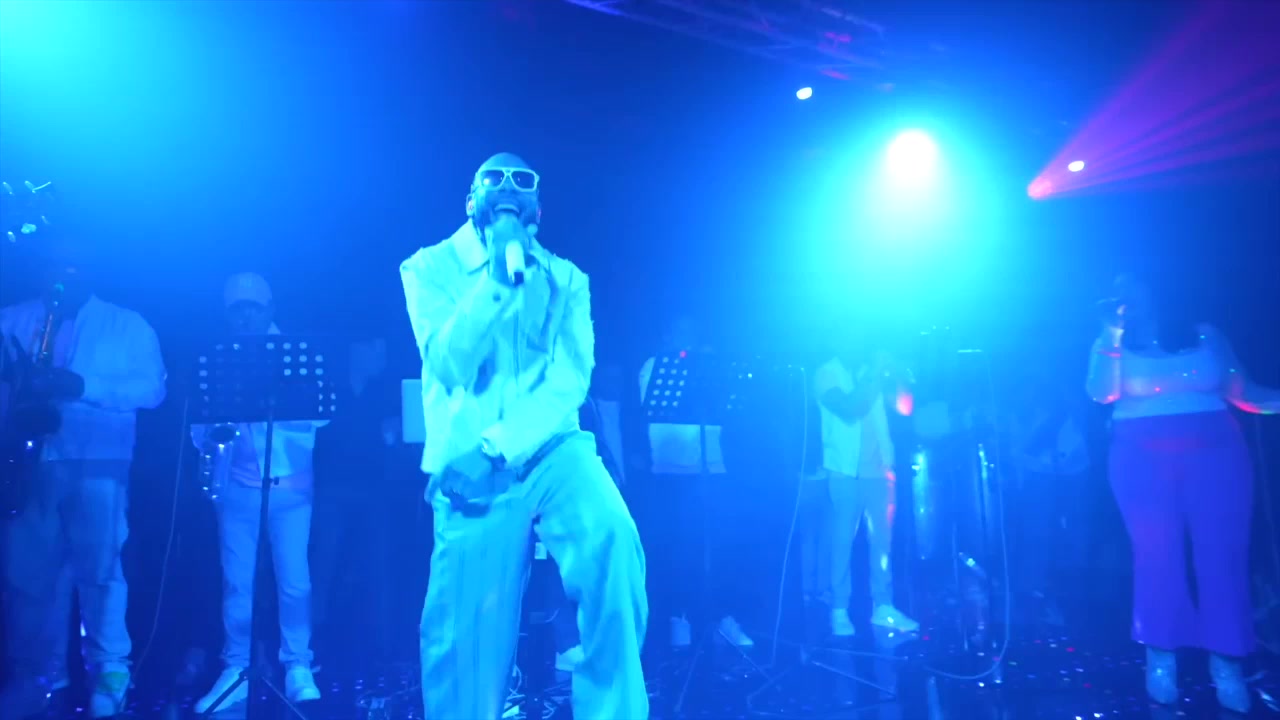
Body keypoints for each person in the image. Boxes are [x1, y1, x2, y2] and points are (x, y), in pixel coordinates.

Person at [400, 152, 647, 720]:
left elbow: (570, 379)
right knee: (465, 633)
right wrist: (495, 279)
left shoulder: (567, 279)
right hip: (468, 461)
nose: (508, 187)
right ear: (471, 200)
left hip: (553, 447)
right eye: (493, 179)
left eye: (523, 181)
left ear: (538, 208)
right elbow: (449, 364)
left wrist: (500, 448)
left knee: (612, 536)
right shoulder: (428, 268)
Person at [1086, 274, 1280, 714]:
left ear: (1156, 287)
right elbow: (1101, 392)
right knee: (1157, 556)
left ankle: (1227, 666)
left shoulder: (1206, 335)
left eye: (1132, 284)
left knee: (1224, 556)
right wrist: (1110, 333)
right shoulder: (1111, 342)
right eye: (1117, 287)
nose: (1125, 294)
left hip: (1218, 453)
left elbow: (1245, 393)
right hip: (1140, 456)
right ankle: (1161, 660)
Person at [0, 240, 167, 718]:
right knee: (29, 578)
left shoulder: (127, 324)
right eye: (55, 267)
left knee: (101, 573)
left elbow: (152, 390)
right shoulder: (12, 319)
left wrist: (81, 386)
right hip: (30, 464)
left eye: (74, 268)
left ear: (91, 272)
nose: (63, 276)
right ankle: (42, 678)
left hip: (100, 464)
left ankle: (110, 677)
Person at [191, 273, 322, 712]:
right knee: (237, 581)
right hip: (236, 486)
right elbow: (199, 428)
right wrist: (215, 431)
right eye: (237, 309)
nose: (245, 316)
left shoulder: (298, 354)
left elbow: (323, 415)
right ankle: (236, 667)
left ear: (270, 309)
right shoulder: (216, 358)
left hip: (292, 486)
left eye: (253, 307)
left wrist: (278, 392)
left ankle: (298, 664)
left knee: (295, 581)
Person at [638, 315, 756, 649]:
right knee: (681, 548)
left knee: (719, 546)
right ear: (666, 336)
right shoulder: (653, 367)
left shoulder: (710, 369)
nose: (688, 337)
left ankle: (721, 617)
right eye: (681, 331)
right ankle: (680, 618)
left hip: (711, 465)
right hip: (672, 470)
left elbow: (728, 408)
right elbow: (652, 409)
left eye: (692, 331)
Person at [812, 343, 919, 637]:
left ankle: (883, 606)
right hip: (845, 471)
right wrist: (875, 372)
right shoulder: (826, 373)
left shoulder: (867, 374)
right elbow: (850, 410)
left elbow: (905, 407)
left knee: (882, 544)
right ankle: (838, 609)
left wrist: (898, 376)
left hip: (880, 470)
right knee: (842, 542)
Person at [311, 336, 401, 667]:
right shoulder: (329, 389)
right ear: (357, 348)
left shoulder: (387, 393)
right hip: (331, 490)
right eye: (376, 348)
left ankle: (383, 650)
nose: (382, 356)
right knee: (322, 568)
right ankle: (310, 648)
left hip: (374, 491)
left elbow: (397, 444)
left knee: (379, 569)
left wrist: (393, 436)